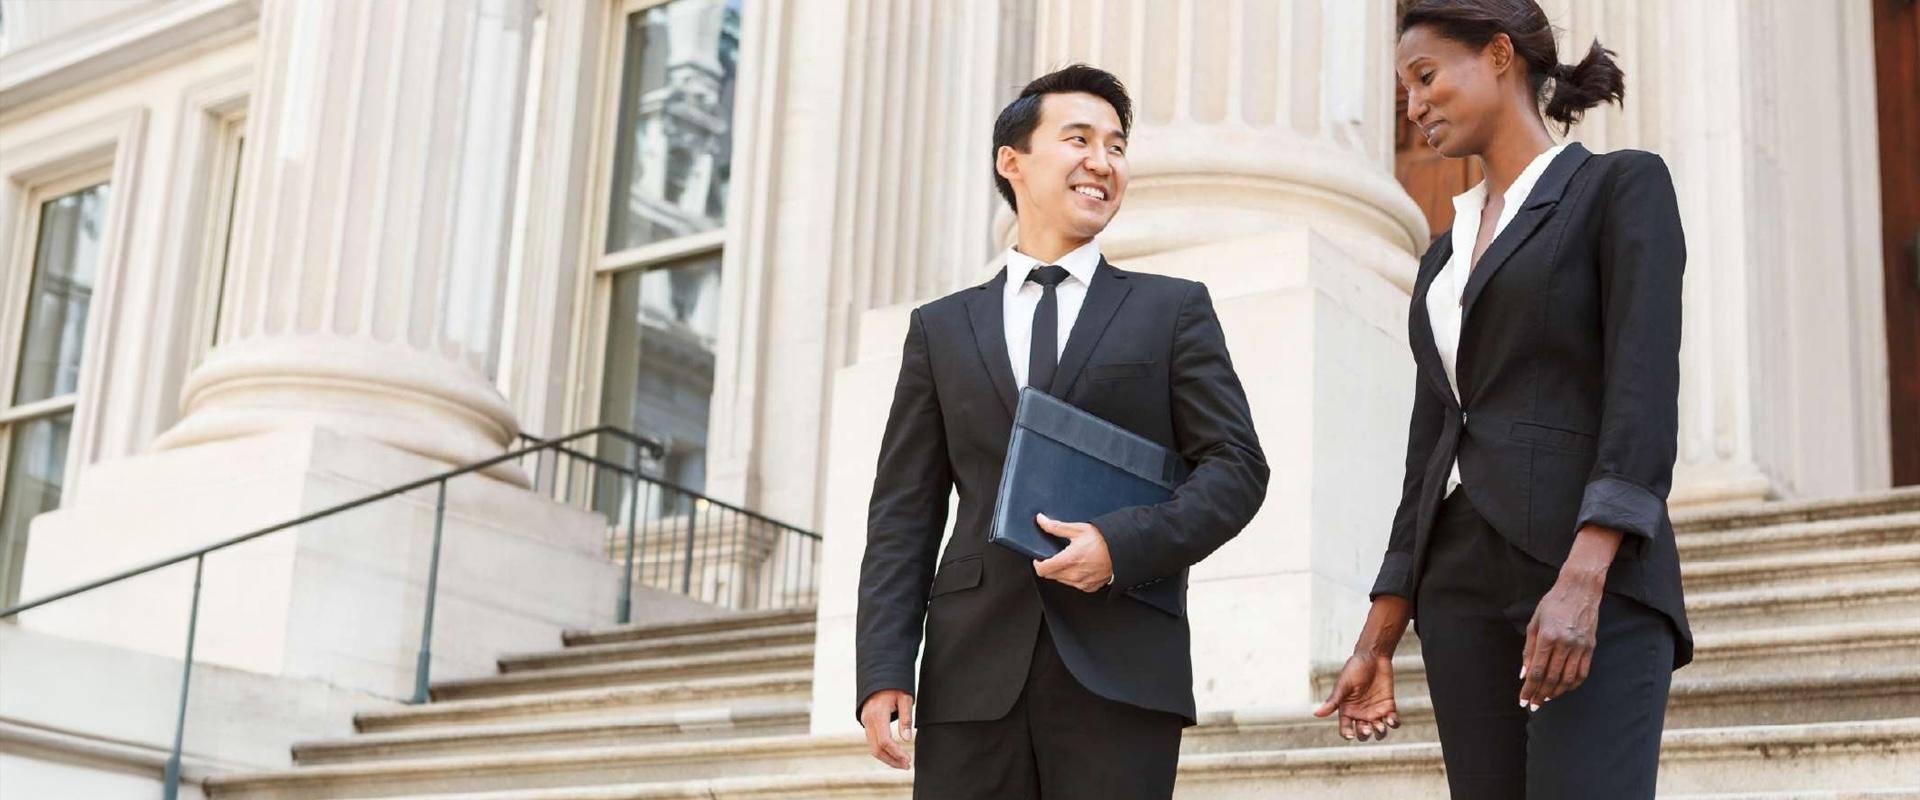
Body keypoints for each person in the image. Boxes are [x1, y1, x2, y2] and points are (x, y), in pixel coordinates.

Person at [853, 64, 1269, 799]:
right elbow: (904, 512)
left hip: (1123, 670)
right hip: (970, 676)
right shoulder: (941, 329)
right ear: (1011, 162)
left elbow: (1236, 469)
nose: (1101, 162)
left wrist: (1123, 545)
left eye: (1116, 146)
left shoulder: (1172, 312)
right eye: (1078, 139)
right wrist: (885, 668)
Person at [1314, 2, 1692, 798]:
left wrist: (1585, 574)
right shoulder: (1441, 257)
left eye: (1425, 77)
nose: (1413, 106)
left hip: (1590, 569)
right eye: (1402, 89)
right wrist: (1381, 632)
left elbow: (1643, 390)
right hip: (1460, 588)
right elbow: (1432, 444)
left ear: (1496, 56)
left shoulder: (1619, 188)